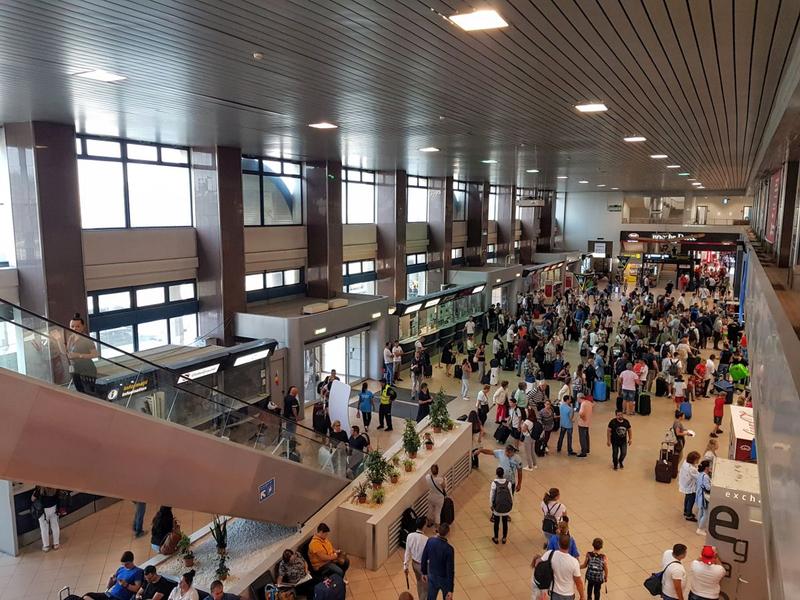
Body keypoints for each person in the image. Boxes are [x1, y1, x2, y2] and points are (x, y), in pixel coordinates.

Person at [420, 523, 455, 600]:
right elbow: (450, 570)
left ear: (438, 531)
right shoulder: (449, 549)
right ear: (448, 533)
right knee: (447, 598)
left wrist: (424, 572)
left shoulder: (430, 541)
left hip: (432, 575)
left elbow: (424, 557)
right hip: (444, 579)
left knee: (431, 598)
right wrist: (450, 590)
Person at [546, 534, 586, 600]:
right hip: (568, 594)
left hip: (554, 591)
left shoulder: (550, 554)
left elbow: (538, 563)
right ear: (569, 545)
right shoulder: (574, 562)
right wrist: (582, 596)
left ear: (558, 544)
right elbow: (578, 582)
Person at [67, 313, 99, 396]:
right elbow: (67, 352)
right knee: (80, 391)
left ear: (82, 326)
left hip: (87, 369)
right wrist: (58, 340)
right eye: (72, 326)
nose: (75, 328)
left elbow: (95, 354)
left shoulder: (86, 339)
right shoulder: (71, 338)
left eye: (77, 326)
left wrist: (78, 355)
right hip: (75, 369)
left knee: (88, 393)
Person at [403, 517, 429, 600]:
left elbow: (407, 552)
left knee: (419, 582)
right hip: (423, 566)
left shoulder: (410, 536)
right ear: (424, 526)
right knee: (426, 589)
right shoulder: (426, 539)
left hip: (414, 564)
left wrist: (405, 566)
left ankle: (419, 596)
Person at [31, 486, 60, 552]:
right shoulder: (55, 484)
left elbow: (33, 499)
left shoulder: (39, 487)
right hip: (54, 508)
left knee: (44, 528)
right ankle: (56, 544)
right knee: (55, 526)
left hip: (43, 511)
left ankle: (46, 546)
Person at [489, 467, 513, 544]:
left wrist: (491, 505)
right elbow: (511, 495)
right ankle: (504, 538)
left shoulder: (494, 483)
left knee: (496, 522)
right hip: (506, 507)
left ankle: (496, 538)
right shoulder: (508, 483)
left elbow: (491, 496)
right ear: (503, 474)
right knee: (505, 522)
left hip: (497, 506)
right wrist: (511, 504)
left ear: (496, 474)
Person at [679, 452, 701, 521]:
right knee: (691, 500)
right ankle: (689, 515)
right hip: (690, 486)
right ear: (693, 460)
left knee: (687, 497)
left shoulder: (685, 462)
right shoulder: (692, 469)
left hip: (685, 484)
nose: (698, 461)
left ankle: (686, 511)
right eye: (697, 460)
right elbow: (698, 477)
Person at [695, 460, 712, 535]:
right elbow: (708, 488)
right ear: (706, 467)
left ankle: (699, 524)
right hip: (704, 498)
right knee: (706, 513)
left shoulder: (700, 474)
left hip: (699, 495)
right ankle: (700, 528)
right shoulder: (705, 477)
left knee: (700, 511)